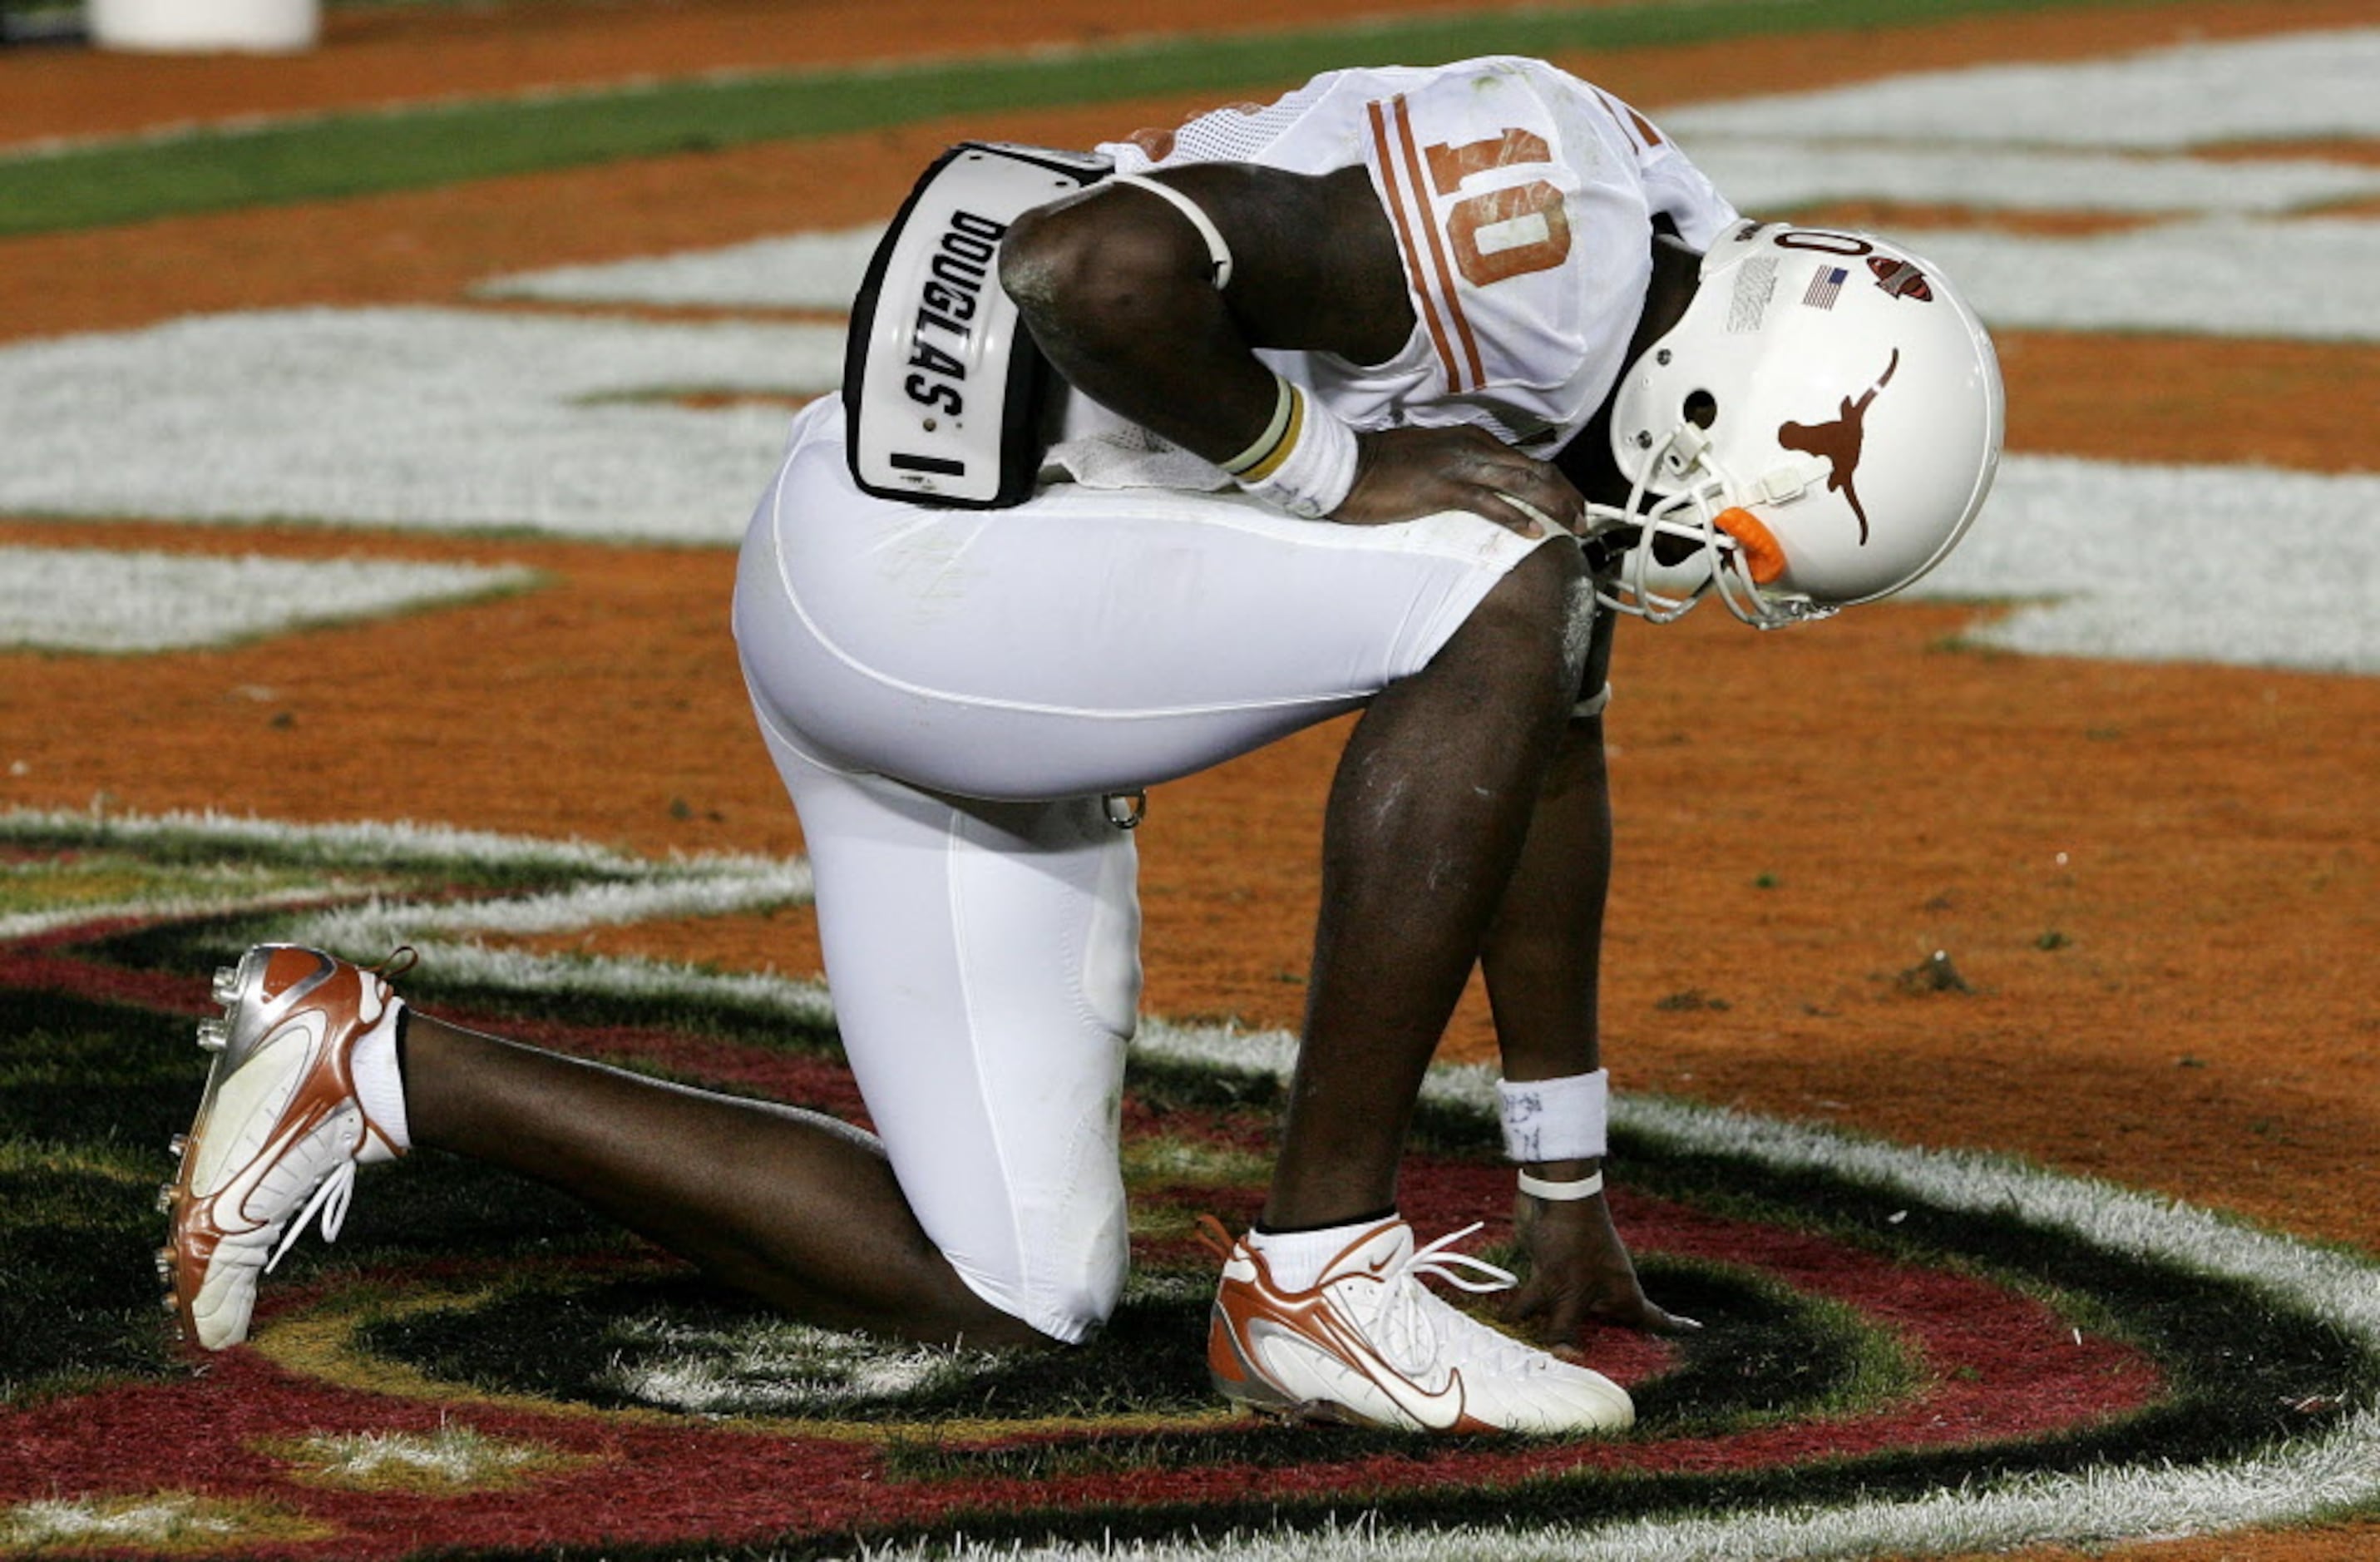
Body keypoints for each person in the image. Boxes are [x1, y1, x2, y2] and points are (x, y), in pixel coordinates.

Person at [159, 55, 2002, 1436]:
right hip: (916, 580)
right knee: (1498, 584)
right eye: (1725, 526)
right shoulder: (1556, 247)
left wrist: (1564, 1183)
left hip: (993, 645)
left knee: (1011, 1291)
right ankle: (1321, 1276)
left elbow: (1547, 760)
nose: (1690, 561)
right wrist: (1334, 473)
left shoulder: (1645, 293)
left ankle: (371, 1066)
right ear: (1716, 401)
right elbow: (1084, 266)